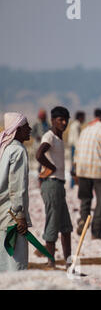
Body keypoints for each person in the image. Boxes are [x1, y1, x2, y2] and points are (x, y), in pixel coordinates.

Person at [36, 107, 72, 268]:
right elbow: (39, 154)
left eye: (66, 120)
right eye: (60, 120)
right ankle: (51, 262)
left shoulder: (58, 137)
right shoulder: (49, 136)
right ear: (52, 120)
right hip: (52, 184)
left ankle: (69, 261)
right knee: (53, 223)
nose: (64, 123)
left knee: (66, 227)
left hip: (59, 184)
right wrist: (51, 167)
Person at [74, 112, 101, 239]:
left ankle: (83, 219)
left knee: (85, 199)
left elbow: (77, 150)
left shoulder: (86, 130)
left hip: (82, 170)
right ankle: (97, 232)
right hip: (99, 171)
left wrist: (75, 169)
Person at [0, 113, 32, 271]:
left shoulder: (5, 148)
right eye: (26, 127)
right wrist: (20, 215)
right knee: (16, 264)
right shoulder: (18, 150)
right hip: (12, 216)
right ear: (18, 130)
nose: (30, 129)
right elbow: (17, 185)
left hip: (2, 213)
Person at [68, 111, 85, 188]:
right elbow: (76, 140)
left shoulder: (74, 124)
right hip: (75, 148)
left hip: (74, 147)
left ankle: (74, 183)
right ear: (80, 117)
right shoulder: (76, 125)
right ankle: (73, 184)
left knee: (74, 165)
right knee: (75, 166)